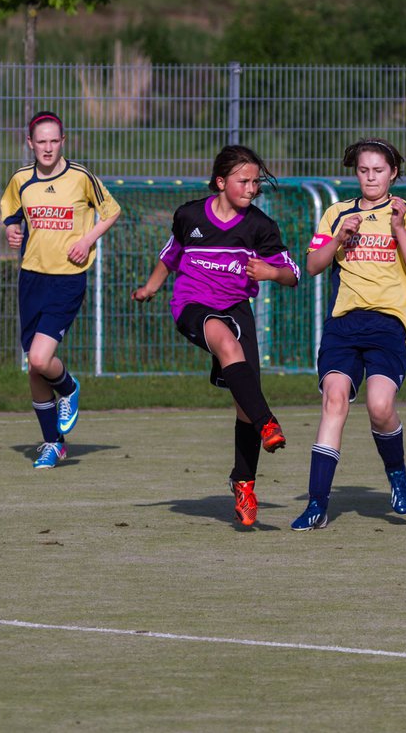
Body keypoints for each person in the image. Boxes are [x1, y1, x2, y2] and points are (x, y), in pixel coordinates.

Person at [132, 144, 300, 527]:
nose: (252, 187)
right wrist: (150, 288)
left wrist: (271, 273)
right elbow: (170, 256)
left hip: (237, 308)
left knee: (245, 402)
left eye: (256, 181)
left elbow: (293, 274)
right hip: (192, 304)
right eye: (244, 180)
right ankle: (268, 422)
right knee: (226, 345)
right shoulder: (189, 216)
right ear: (221, 182)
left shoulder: (260, 227)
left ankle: (244, 483)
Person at [291, 138, 406, 531]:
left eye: (378, 170)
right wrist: (340, 237)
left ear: (393, 173)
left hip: (387, 324)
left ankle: (397, 474)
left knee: (379, 406)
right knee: (334, 401)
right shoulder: (338, 212)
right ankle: (317, 505)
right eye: (363, 170)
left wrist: (397, 229)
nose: (371, 177)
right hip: (343, 326)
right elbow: (313, 265)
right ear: (355, 172)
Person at [1, 111, 122, 469]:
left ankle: (68, 388)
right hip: (31, 277)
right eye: (41, 141)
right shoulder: (21, 179)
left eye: (54, 140)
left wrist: (87, 240)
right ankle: (53, 443)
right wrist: (11, 230)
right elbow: (12, 212)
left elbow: (112, 212)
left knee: (40, 358)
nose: (48, 147)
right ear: (30, 144)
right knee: (34, 368)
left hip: (67, 279)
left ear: (63, 141)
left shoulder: (81, 177)